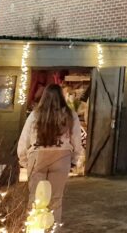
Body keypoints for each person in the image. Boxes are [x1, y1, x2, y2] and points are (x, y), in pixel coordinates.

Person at [17, 84, 84, 225]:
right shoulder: (70, 115)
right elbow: (76, 140)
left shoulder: (36, 114)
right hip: (62, 157)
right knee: (55, 199)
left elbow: (25, 139)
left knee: (36, 198)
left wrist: (24, 160)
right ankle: (53, 229)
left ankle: (34, 229)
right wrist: (74, 159)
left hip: (38, 156)